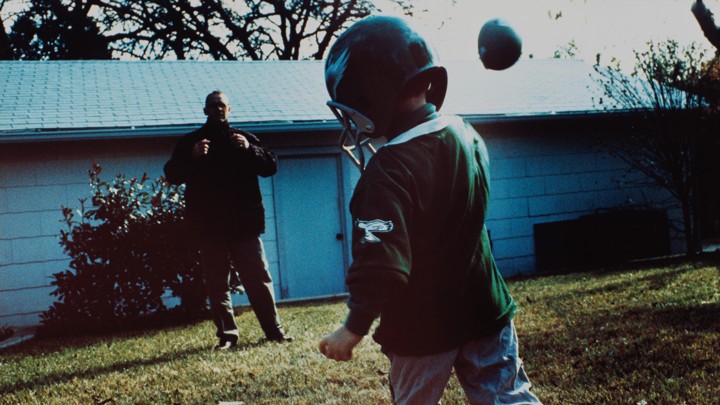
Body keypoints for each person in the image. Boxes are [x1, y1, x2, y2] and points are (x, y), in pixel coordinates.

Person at [318, 16, 541, 404]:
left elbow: (381, 262)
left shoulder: (385, 172)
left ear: (371, 94)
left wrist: (353, 327)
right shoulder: (467, 135)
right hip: (484, 307)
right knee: (509, 399)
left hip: (421, 326)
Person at [164, 90, 291, 350]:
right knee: (217, 284)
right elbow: (172, 174)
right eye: (213, 106)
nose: (218, 109)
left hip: (244, 225)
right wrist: (193, 157)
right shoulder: (192, 142)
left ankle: (274, 331)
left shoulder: (244, 139)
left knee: (258, 278)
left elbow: (271, 166)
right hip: (210, 227)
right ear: (205, 111)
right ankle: (228, 336)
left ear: (229, 109)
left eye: (222, 105)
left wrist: (251, 150)